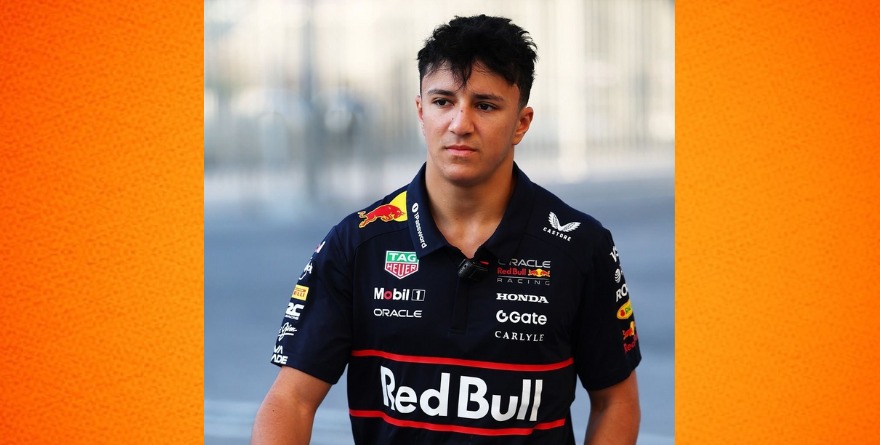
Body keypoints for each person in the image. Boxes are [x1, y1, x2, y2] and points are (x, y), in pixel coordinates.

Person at [252, 14, 641, 445]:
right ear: (421, 111)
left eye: (485, 105)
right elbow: (291, 400)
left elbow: (615, 401)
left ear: (522, 123)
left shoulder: (581, 245)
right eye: (443, 102)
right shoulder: (357, 242)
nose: (460, 124)